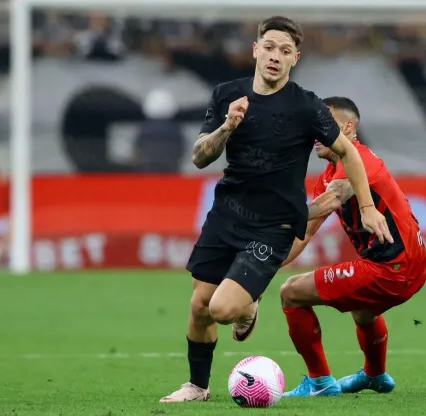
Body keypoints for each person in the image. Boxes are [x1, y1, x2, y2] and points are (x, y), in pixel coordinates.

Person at [160, 17, 393, 403]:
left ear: (295, 58)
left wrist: (366, 207)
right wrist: (226, 127)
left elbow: (348, 152)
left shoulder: (306, 105)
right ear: (255, 49)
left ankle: (248, 302)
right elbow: (201, 156)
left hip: (274, 226)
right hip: (226, 214)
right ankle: (197, 387)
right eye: (269, 47)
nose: (275, 56)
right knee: (199, 305)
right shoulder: (226, 95)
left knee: (221, 308)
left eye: (285, 51)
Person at [280, 97, 426, 397]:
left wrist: (281, 213)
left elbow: (334, 199)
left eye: (326, 125)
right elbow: (304, 235)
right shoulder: (326, 176)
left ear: (348, 127)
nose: (316, 133)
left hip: (390, 269)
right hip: (411, 265)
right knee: (362, 310)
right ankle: (375, 375)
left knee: (291, 293)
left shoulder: (359, 160)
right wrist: (259, 271)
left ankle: (320, 382)